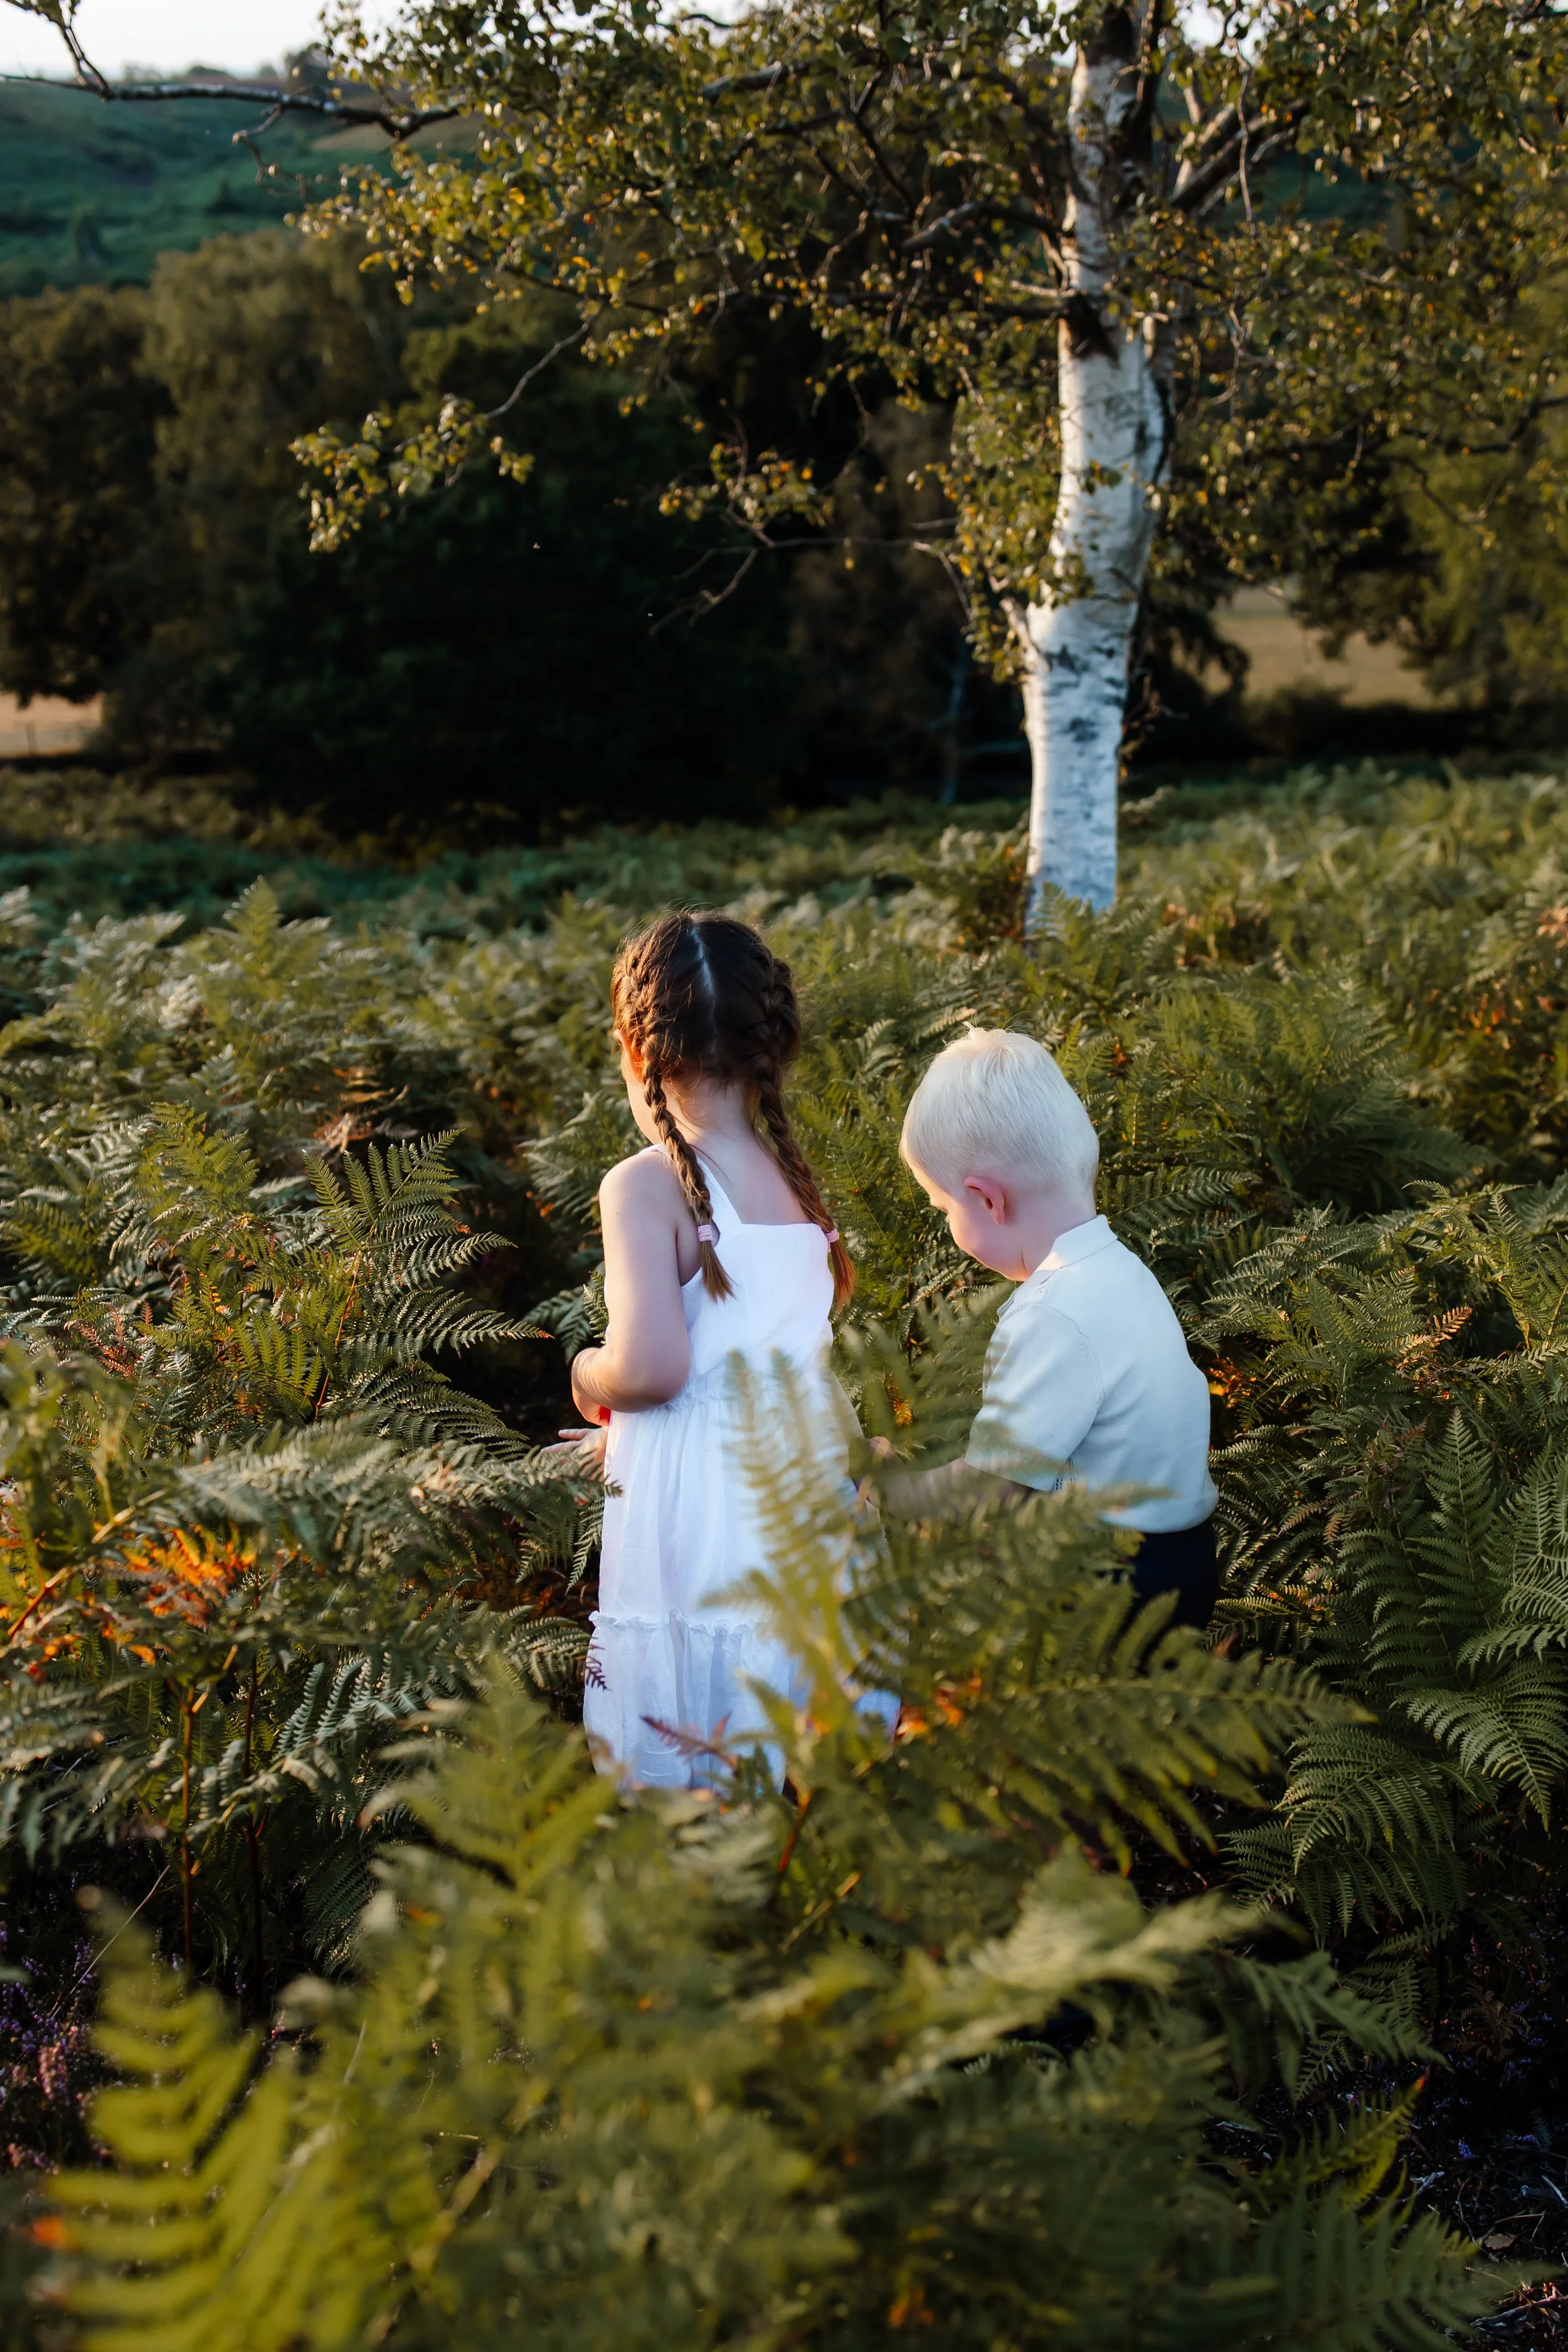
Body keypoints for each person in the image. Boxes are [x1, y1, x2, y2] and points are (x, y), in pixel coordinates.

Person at [564, 910, 859, 1786]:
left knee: (692, 1756)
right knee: (784, 1750)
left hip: (703, 1524)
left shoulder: (644, 1185)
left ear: (632, 1046)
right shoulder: (789, 1180)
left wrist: (586, 1376)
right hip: (799, 1499)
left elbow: (653, 1370)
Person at [882, 1027, 1220, 1628]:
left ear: (988, 1201)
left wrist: (889, 1489)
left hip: (1109, 1578)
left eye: (944, 1210)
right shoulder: (1123, 1270)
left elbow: (994, 1488)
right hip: (1186, 1558)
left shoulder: (1050, 1311)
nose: (949, 1230)